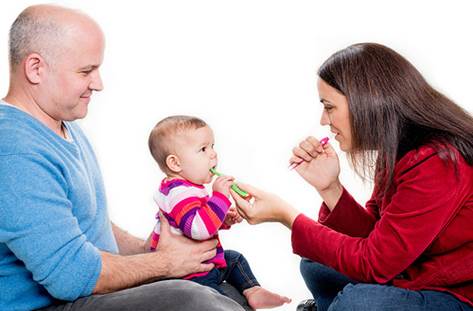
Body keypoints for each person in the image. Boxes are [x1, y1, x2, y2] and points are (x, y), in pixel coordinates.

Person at [0, 5, 246, 311]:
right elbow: (72, 276)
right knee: (192, 301)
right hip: (50, 304)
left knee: (226, 287)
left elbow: (84, 224)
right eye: (86, 71)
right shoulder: (14, 150)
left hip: (90, 293)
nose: (98, 83)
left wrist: (149, 250)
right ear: (36, 68)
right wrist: (165, 262)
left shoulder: (64, 128)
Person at [230, 43, 473, 311]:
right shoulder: (397, 148)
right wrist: (330, 188)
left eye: (329, 107)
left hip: (456, 294)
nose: (324, 120)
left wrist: (288, 217)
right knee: (315, 262)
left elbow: (375, 263)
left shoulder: (438, 161)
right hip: (408, 272)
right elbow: (378, 238)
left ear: (367, 100)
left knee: (359, 303)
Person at [147, 115, 291, 309]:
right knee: (217, 301)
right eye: (203, 149)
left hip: (205, 263)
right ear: (175, 163)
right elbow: (197, 229)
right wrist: (220, 197)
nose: (213, 154)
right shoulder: (178, 193)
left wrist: (224, 218)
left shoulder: (187, 187)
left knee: (234, 259)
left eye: (213, 146)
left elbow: (201, 217)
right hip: (190, 275)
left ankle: (253, 291)